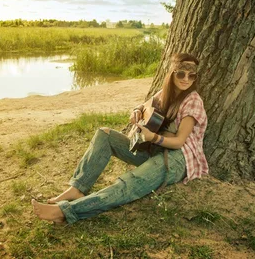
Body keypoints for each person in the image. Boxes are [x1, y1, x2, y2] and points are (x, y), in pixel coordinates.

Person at [31, 53, 208, 224]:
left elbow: (179, 142)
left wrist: (153, 137)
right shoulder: (166, 92)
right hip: (154, 149)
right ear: (172, 74)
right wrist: (137, 111)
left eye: (191, 75)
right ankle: (77, 188)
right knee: (105, 134)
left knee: (131, 182)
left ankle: (64, 212)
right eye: (181, 74)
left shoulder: (192, 101)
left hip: (178, 159)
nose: (186, 79)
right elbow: (145, 105)